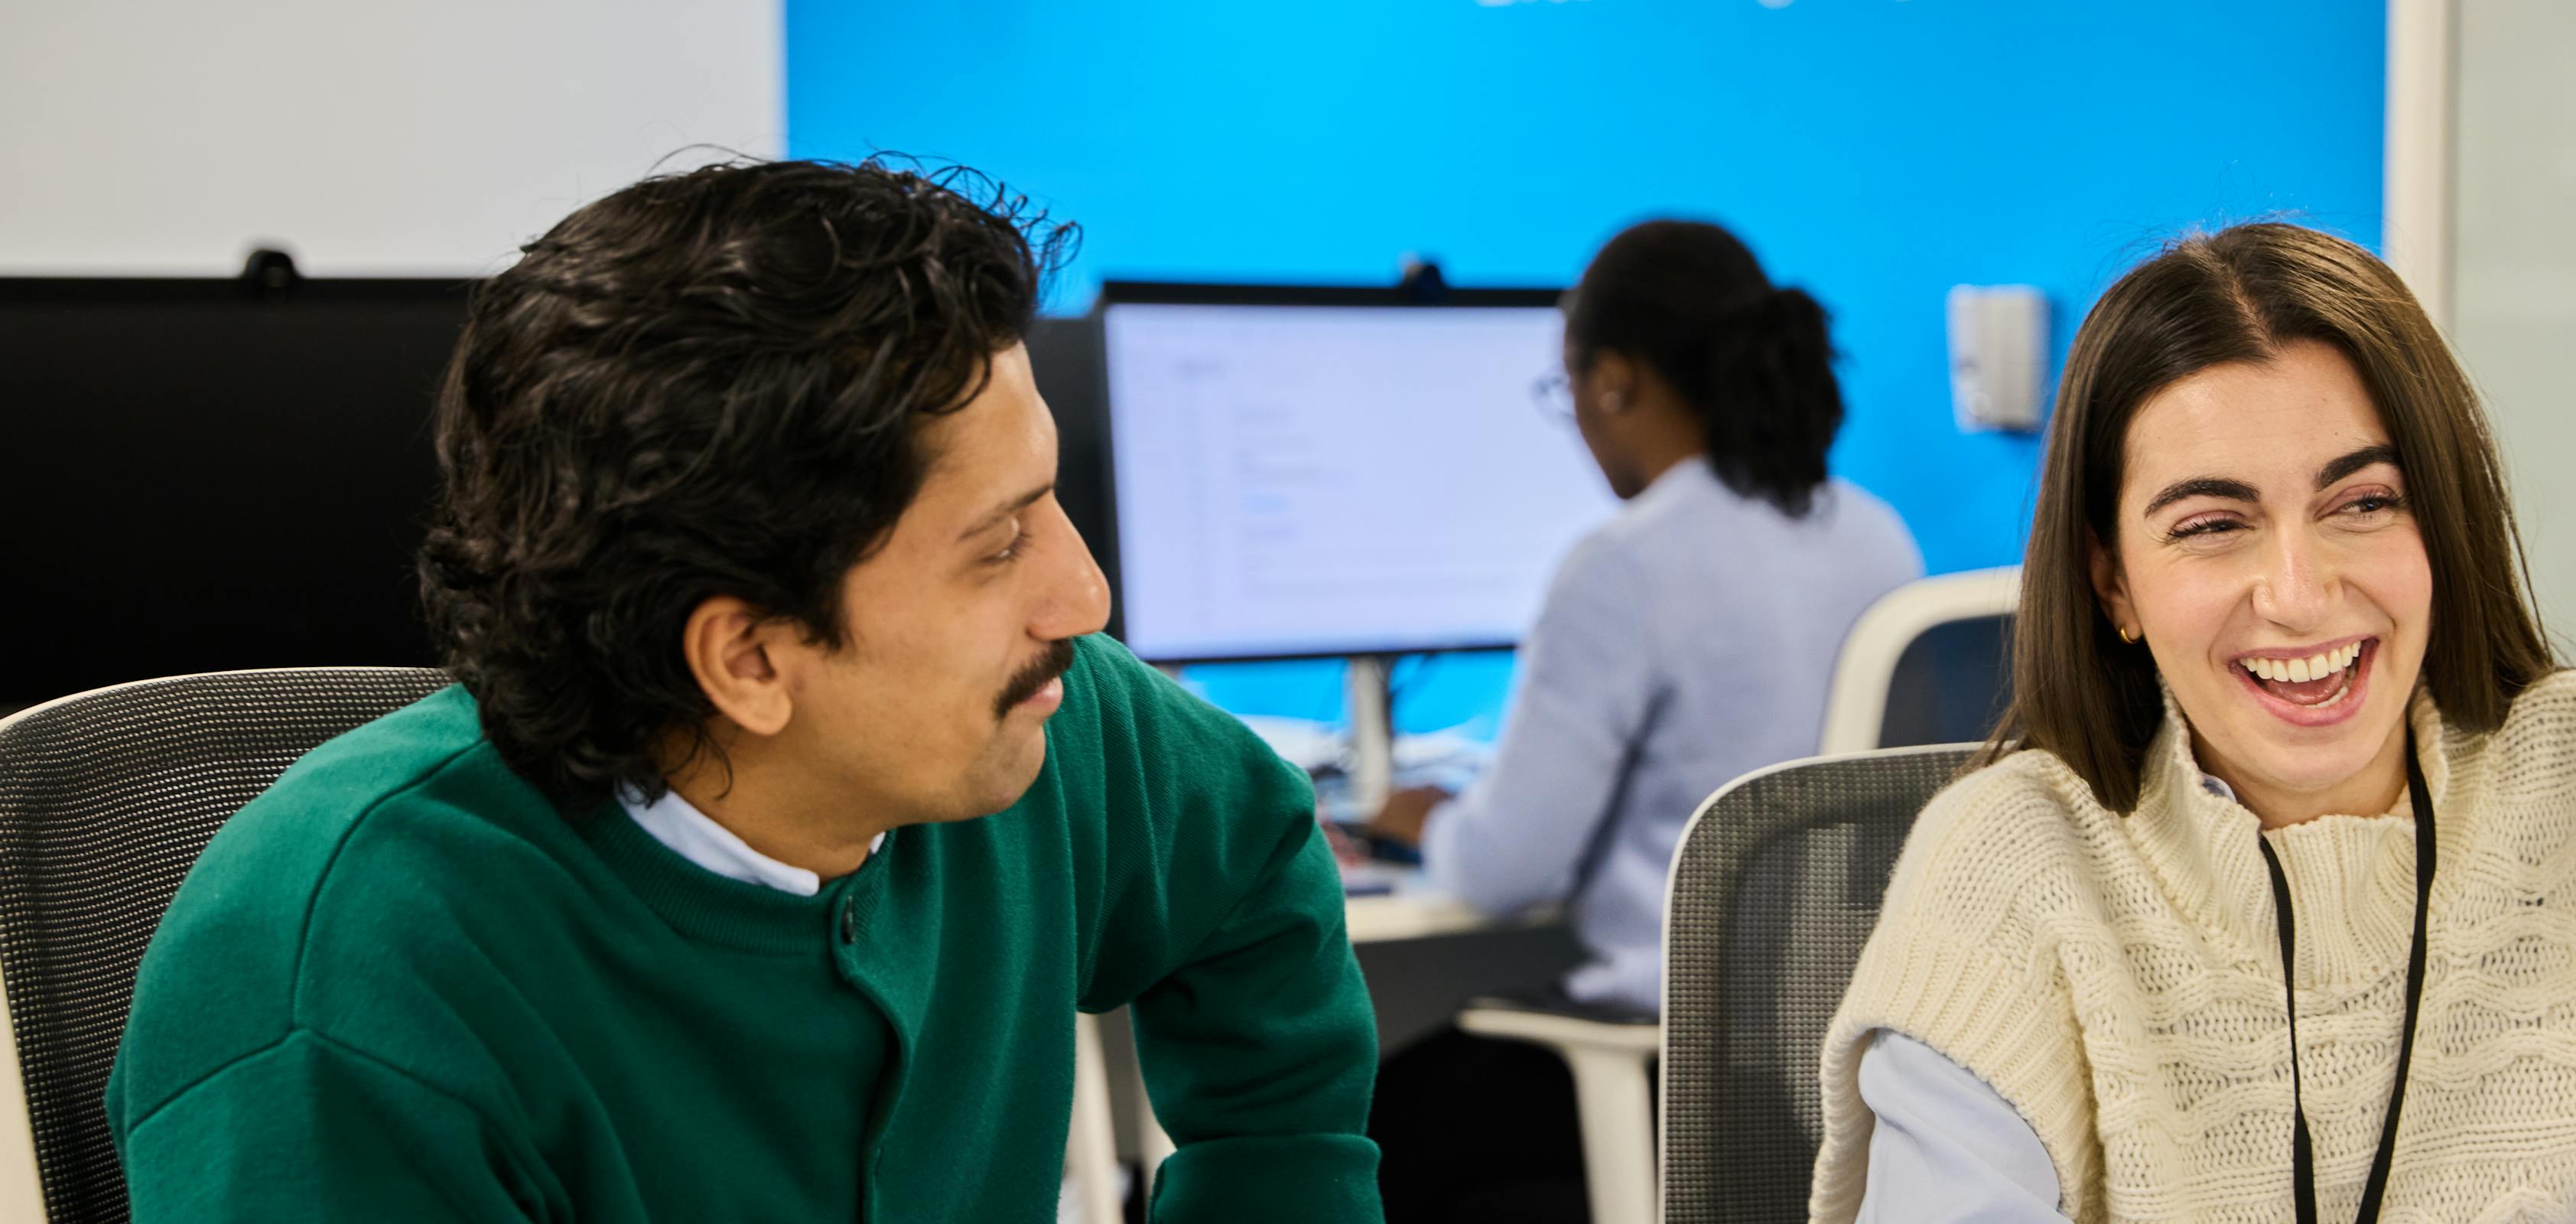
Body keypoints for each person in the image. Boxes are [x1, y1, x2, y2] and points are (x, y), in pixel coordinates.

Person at [105, 159, 1383, 1222]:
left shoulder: (1049, 724)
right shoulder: (348, 996)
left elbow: (1257, 866)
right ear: (750, 660)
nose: (1084, 599)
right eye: (1000, 543)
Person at [1807, 223, 2576, 1224]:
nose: (2298, 593)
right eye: (2211, 525)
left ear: (2440, 524)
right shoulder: (2005, 868)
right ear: (2114, 583)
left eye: (2363, 502)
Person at [1364, 220, 1919, 1223]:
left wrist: (1418, 821)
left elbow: (1502, 869)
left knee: (1339, 1135)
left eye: (1567, 389)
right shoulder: (1879, 536)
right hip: (1848, 1080)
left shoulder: (1627, 565)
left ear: (1613, 381)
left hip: (1671, 1077)